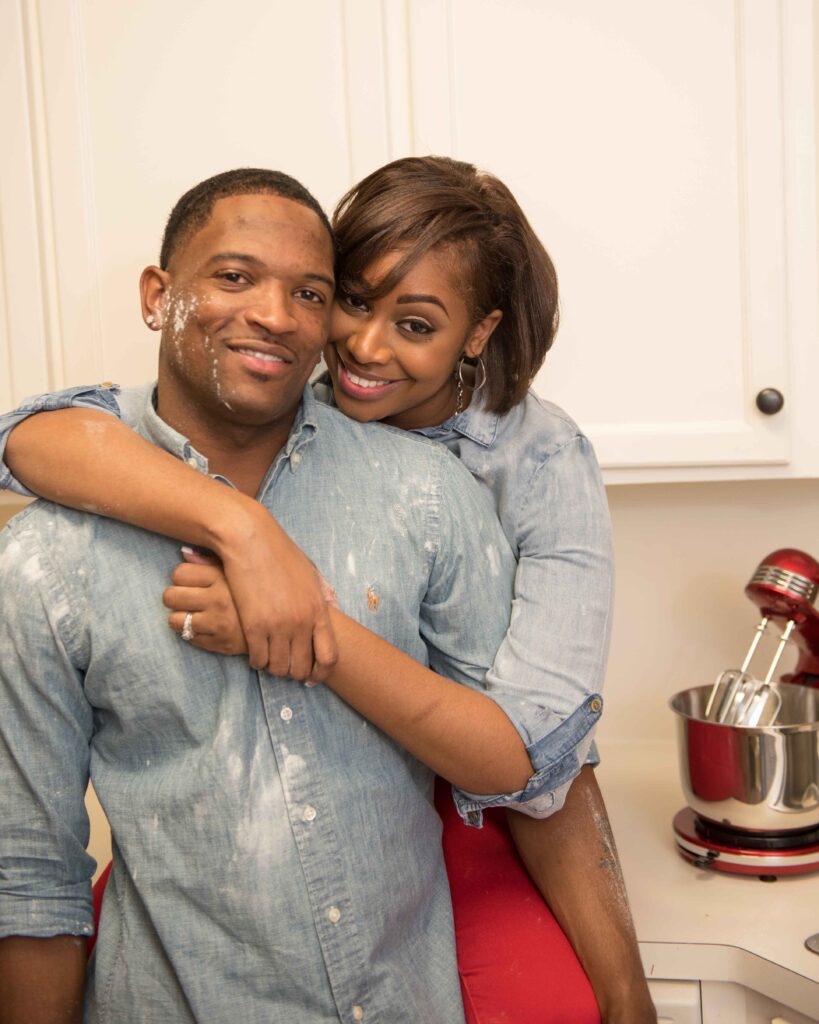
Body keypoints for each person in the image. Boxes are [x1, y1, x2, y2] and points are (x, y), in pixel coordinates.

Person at [0, 161, 657, 1022]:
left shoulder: (504, 473)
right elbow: (33, 434)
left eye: (307, 293)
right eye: (348, 300)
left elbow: (536, 758)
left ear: (475, 335)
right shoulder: (61, 543)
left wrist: (627, 996)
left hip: (469, 848)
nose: (357, 344)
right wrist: (247, 530)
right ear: (159, 296)